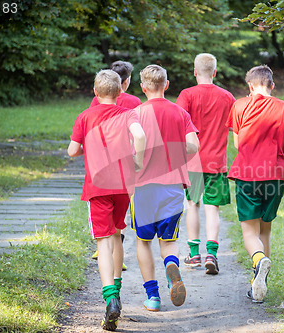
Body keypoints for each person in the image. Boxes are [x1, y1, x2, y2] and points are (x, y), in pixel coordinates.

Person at [68, 70, 146, 330]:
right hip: (123, 184)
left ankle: (110, 298)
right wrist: (138, 160)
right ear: (121, 92)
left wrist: (82, 148)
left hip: (98, 186)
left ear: (94, 92)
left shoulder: (85, 116)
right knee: (117, 233)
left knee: (103, 241)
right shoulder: (127, 114)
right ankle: (118, 289)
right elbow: (140, 135)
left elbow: (71, 151)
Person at [225, 65, 284, 303]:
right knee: (265, 228)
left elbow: (239, 145)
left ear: (250, 86)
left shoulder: (239, 106)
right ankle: (260, 286)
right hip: (275, 175)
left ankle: (259, 261)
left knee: (250, 232)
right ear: (272, 85)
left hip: (247, 173)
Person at [131, 64, 199, 312]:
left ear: (143, 88)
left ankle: (153, 297)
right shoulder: (180, 113)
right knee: (168, 241)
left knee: (143, 241)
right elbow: (194, 147)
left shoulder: (136, 113)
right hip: (172, 185)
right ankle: (172, 264)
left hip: (144, 187)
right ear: (167, 85)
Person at [176, 53, 235, 275]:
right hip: (217, 163)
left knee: (192, 205)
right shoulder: (227, 97)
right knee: (213, 209)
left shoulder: (186, 95)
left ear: (194, 72)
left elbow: (178, 123)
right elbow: (233, 127)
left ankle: (194, 254)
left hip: (191, 163)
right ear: (215, 72)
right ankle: (212, 253)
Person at [90, 61, 142, 271]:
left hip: (101, 162)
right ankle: (116, 250)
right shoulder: (135, 101)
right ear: (126, 81)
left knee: (103, 206)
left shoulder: (97, 100)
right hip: (125, 163)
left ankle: (103, 247)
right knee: (121, 210)